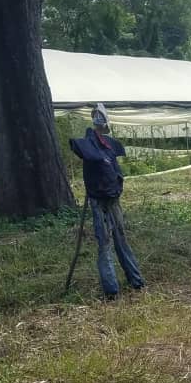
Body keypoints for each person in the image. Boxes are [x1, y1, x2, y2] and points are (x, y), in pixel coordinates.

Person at [69, 104, 144, 300]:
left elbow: (115, 170)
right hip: (98, 200)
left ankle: (136, 281)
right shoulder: (87, 144)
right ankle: (111, 290)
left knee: (121, 239)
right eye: (98, 118)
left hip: (113, 198)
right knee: (104, 243)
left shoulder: (110, 145)